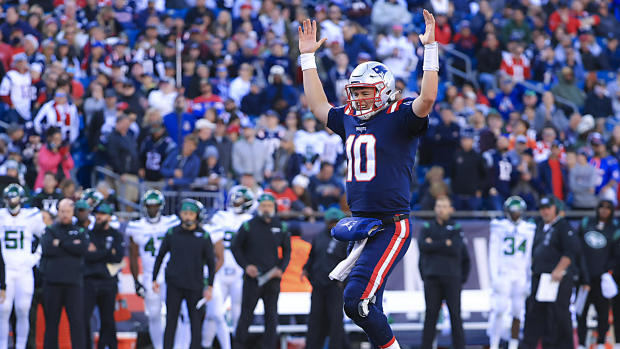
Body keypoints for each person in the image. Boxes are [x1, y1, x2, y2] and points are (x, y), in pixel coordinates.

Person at [298, 7, 438, 348]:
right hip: (362, 223)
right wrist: (307, 60)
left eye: (365, 92)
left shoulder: (400, 115)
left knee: (356, 301)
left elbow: (428, 98)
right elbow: (318, 107)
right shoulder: (348, 116)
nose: (359, 98)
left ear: (386, 90)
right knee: (369, 303)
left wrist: (430, 50)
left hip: (391, 224)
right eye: (356, 92)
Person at [152, 199, 216, 349]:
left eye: (191, 214)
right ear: (180, 214)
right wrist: (154, 278)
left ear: (197, 215)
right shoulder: (172, 233)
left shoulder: (204, 236)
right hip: (174, 283)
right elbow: (160, 256)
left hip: (195, 285)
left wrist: (210, 285)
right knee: (171, 321)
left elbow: (211, 263)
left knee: (196, 322)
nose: (187, 217)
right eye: (185, 213)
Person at [231, 193, 291, 349]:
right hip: (253, 277)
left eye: (269, 206)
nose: (266, 209)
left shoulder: (281, 226)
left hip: (272, 278)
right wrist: (246, 266)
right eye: (263, 205)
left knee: (271, 316)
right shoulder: (248, 226)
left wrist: (281, 269)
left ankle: (269, 346)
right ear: (258, 207)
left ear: (274, 208)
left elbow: (287, 251)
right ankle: (238, 346)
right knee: (246, 315)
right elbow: (235, 248)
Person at [522, 195, 580, 349]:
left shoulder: (563, 227)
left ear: (555, 209)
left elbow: (571, 252)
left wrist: (559, 270)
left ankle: (565, 346)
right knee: (538, 313)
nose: (545, 212)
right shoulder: (540, 226)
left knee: (559, 314)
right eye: (542, 209)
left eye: (548, 208)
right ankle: (543, 344)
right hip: (540, 277)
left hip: (556, 278)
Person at [201, 185, 255, 348]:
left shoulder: (250, 221)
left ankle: (236, 344)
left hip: (239, 270)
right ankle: (206, 344)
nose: (237, 203)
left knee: (239, 312)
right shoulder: (220, 217)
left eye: (241, 200)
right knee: (213, 313)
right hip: (220, 268)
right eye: (236, 199)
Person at [126, 190, 180, 349]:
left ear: (161, 206)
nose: (152, 209)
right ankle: (159, 346)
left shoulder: (172, 222)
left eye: (155, 206)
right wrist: (136, 281)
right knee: (154, 314)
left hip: (171, 274)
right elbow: (133, 255)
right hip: (150, 276)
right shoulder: (136, 227)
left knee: (174, 314)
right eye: (149, 206)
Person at [418, 196, 470, 349]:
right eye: (438, 206)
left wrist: (433, 244)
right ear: (434, 208)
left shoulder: (456, 227)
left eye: (444, 206)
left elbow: (456, 250)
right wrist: (444, 244)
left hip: (452, 278)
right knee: (431, 316)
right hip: (432, 278)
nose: (440, 209)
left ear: (450, 209)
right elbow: (422, 246)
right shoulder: (427, 226)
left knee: (455, 315)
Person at [0, 184, 46, 349]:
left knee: (23, 309)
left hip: (24, 270)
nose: (12, 201)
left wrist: (36, 257)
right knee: (3, 311)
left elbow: (45, 235)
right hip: (4, 271)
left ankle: (20, 346)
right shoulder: (1, 216)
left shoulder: (31, 216)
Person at [487, 196, 535, 349]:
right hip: (504, 273)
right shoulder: (499, 226)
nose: (515, 214)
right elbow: (493, 253)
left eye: (518, 211)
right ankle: (494, 343)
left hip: (520, 274)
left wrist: (529, 278)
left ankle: (513, 345)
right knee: (499, 309)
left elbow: (529, 255)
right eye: (513, 211)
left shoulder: (529, 228)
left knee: (517, 311)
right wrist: (494, 276)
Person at [40, 199, 88, 349]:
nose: (65, 214)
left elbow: (81, 249)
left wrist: (60, 243)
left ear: (72, 212)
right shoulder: (50, 230)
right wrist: (70, 245)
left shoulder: (79, 230)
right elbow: (47, 249)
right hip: (53, 283)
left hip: (74, 284)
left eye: (67, 211)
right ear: (58, 212)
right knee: (51, 323)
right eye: (62, 211)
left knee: (77, 322)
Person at [303, 207, 348, 349]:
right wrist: (306, 269)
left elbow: (350, 263)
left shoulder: (346, 240)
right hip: (318, 285)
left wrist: (344, 281)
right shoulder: (319, 237)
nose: (333, 225)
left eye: (336, 222)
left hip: (335, 286)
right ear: (326, 222)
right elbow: (312, 257)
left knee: (335, 322)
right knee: (315, 321)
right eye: (331, 222)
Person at [83, 203, 124, 349]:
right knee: (84, 317)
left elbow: (118, 257)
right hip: (89, 281)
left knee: (108, 320)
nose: (98, 217)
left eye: (102, 214)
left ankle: (103, 346)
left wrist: (97, 253)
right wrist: (107, 252)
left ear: (109, 216)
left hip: (108, 282)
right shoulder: (89, 233)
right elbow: (87, 255)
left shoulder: (116, 235)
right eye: (97, 214)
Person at [576, 199, 617, 349]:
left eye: (608, 208)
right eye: (602, 207)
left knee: (603, 313)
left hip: (602, 278)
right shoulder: (587, 223)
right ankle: (581, 343)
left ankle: (600, 343)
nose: (604, 211)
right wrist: (581, 273)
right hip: (584, 278)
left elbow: (615, 255)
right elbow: (577, 249)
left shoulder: (614, 230)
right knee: (581, 312)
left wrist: (606, 271)